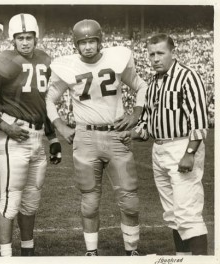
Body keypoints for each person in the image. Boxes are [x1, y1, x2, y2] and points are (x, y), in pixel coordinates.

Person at [46, 19, 148, 256]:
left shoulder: (117, 59)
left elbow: (141, 86)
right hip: (86, 137)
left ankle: (131, 252)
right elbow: (50, 100)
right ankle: (91, 253)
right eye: (83, 42)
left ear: (100, 41)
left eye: (93, 41)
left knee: (129, 200)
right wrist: (60, 125)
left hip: (116, 135)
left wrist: (137, 112)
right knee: (89, 201)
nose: (89, 46)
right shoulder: (67, 67)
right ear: (76, 45)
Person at [0, 13, 62, 257]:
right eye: (20, 38)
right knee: (10, 201)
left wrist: (52, 138)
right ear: (13, 39)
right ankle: (5, 255)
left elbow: (44, 103)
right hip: (14, 138)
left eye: (28, 37)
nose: (25, 42)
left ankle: (27, 252)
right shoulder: (4, 62)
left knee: (31, 202)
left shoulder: (45, 58)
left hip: (38, 137)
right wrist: (5, 127)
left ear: (35, 37)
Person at [119, 33, 209, 255]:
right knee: (172, 213)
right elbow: (148, 122)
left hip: (182, 146)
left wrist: (189, 153)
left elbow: (198, 120)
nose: (155, 58)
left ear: (172, 52)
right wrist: (133, 134)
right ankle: (182, 258)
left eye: (161, 53)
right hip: (159, 149)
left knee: (188, 213)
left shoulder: (188, 77)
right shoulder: (153, 83)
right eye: (152, 54)